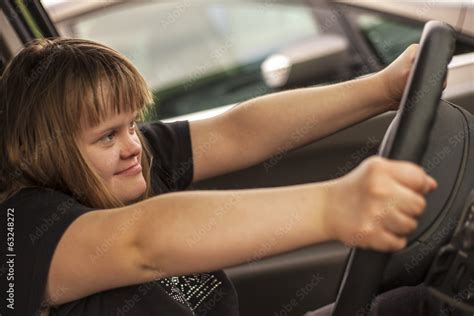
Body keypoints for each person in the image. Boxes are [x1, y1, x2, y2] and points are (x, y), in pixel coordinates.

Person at [0, 38, 437, 316]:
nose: (133, 145)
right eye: (107, 136)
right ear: (48, 150)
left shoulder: (129, 164)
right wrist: (334, 206)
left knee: (426, 304)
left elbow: (236, 132)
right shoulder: (24, 230)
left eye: (131, 124)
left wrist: (382, 88)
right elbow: (143, 243)